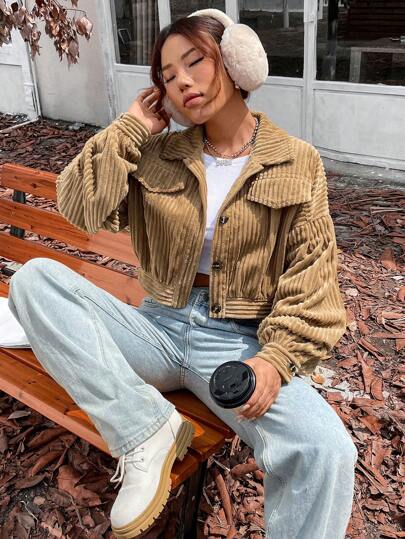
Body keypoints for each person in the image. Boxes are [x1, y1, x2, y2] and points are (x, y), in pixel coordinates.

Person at [8, 8, 358, 539]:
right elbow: (80, 207)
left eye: (195, 62)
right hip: (157, 328)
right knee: (35, 280)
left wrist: (276, 360)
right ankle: (144, 431)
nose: (183, 82)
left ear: (236, 61)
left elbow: (313, 280)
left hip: (238, 345)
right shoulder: (159, 155)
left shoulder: (295, 161)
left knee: (326, 451)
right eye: (169, 75)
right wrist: (131, 127)